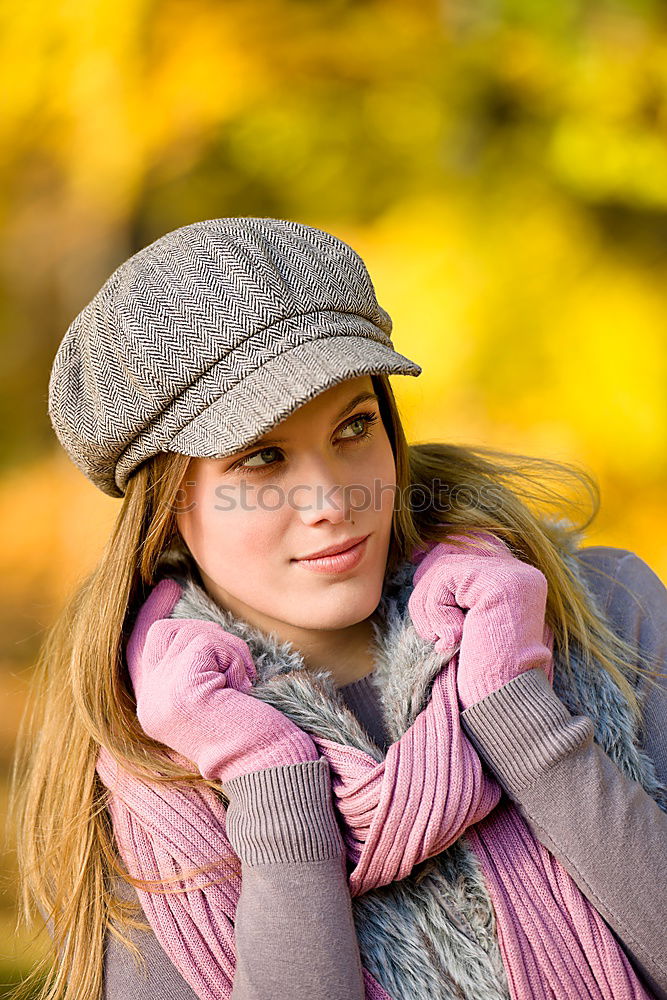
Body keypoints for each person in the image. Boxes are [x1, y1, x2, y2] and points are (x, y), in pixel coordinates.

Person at [11, 217, 667, 1000]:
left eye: (354, 427)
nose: (332, 500)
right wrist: (273, 791)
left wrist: (519, 712)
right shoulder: (147, 784)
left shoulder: (601, 610)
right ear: (169, 504)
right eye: (262, 457)